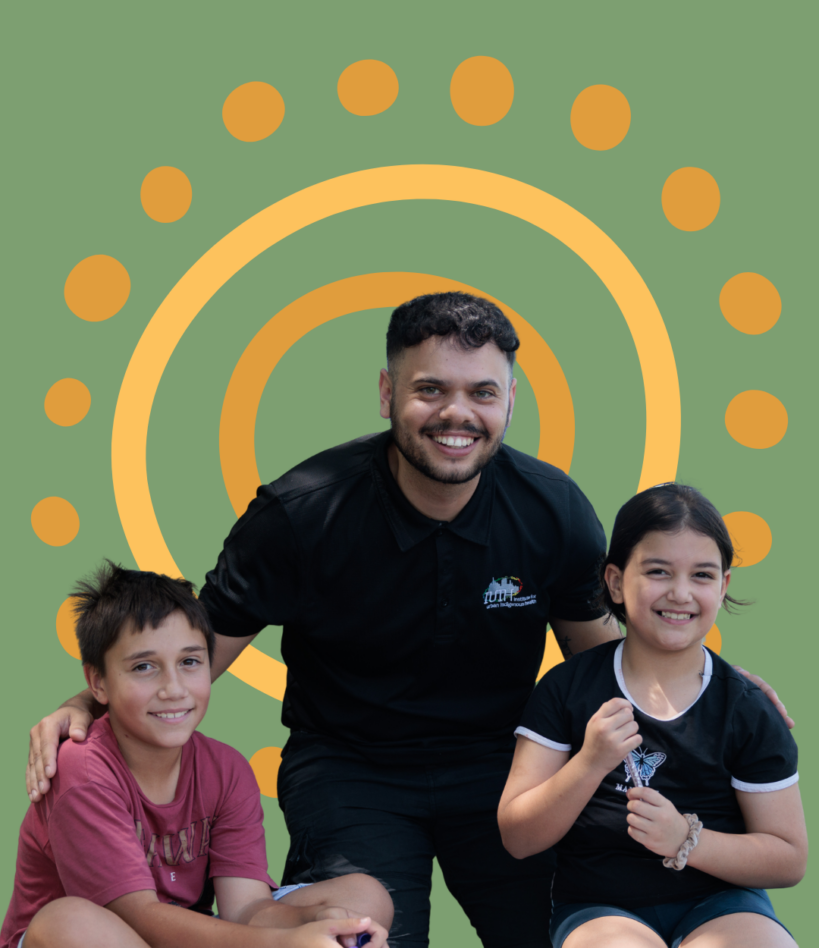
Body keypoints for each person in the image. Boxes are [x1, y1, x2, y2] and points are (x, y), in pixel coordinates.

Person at [26, 295, 792, 948]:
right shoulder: (301, 513)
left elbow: (603, 665)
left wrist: (706, 688)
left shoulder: (552, 510)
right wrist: (82, 703)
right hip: (349, 765)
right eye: (431, 389)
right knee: (364, 934)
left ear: (510, 401)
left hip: (504, 763)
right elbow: (190, 654)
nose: (457, 413)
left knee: (569, 926)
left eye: (482, 392)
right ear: (387, 392)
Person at [4, 563, 392, 948]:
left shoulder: (226, 769)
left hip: (185, 934)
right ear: (97, 683)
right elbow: (138, 916)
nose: (173, 688)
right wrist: (282, 944)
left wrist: (316, 922)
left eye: (190, 662)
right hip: (95, 936)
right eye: (143, 667)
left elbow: (246, 910)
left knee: (364, 897)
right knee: (69, 921)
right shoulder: (82, 768)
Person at [498, 484, 806, 948]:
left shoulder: (745, 707)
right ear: (616, 582)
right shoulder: (566, 690)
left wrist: (687, 838)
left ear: (723, 586)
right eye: (658, 571)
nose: (680, 593)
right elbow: (518, 837)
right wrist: (590, 762)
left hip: (723, 904)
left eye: (702, 575)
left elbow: (788, 858)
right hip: (600, 908)